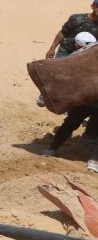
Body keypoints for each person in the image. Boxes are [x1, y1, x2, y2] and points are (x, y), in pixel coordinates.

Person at [40, 32, 98, 171]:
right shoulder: (85, 53)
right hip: (85, 99)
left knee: (71, 124)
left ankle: (95, 160)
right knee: (70, 124)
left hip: (88, 100)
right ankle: (52, 148)